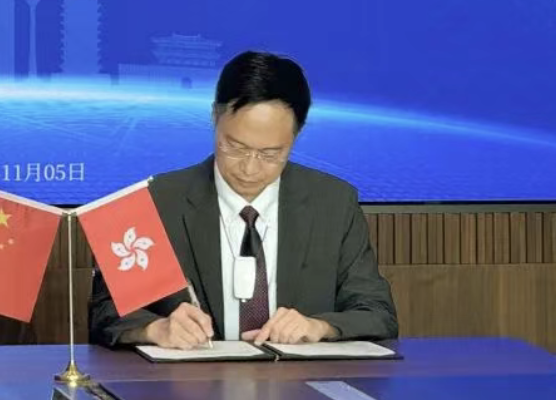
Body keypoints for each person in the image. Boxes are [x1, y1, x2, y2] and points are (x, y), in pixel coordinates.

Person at [89, 51, 398, 348]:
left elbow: (378, 313)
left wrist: (319, 327)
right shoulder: (156, 201)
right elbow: (105, 313)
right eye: (235, 147)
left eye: (270, 154)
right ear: (215, 116)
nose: (250, 168)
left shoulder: (333, 203)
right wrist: (156, 329)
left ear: (297, 134)